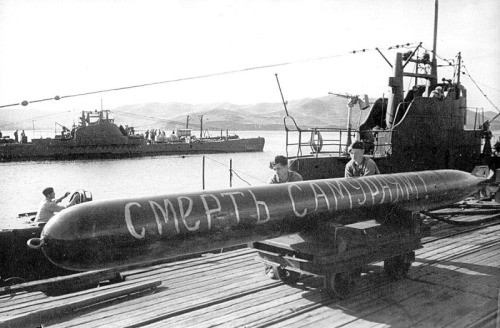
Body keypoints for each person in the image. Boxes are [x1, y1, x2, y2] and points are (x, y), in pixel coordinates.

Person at [265, 155, 303, 279]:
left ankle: (297, 265)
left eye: (279, 168)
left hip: (294, 214)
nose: (277, 172)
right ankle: (270, 267)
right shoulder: (272, 181)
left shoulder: (296, 178)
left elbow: (299, 199)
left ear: (286, 167)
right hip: (280, 215)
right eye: (275, 169)